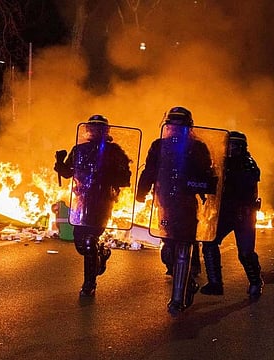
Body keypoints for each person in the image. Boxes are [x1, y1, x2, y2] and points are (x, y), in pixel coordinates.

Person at [136, 106, 216, 315]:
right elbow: (150, 170)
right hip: (164, 203)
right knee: (168, 251)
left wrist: (203, 186)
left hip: (187, 203)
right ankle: (188, 281)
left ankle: (177, 300)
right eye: (172, 125)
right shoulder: (158, 146)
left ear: (188, 127)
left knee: (183, 247)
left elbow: (207, 173)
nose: (175, 129)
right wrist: (142, 191)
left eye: (179, 126)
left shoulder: (197, 148)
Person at [54, 114, 132, 297]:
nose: (95, 131)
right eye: (92, 128)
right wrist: (59, 163)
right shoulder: (79, 150)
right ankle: (102, 253)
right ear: (88, 130)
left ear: (106, 131)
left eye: (99, 128)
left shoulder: (114, 152)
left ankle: (89, 284)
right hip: (81, 201)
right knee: (80, 244)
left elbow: (125, 179)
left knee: (89, 241)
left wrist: (107, 176)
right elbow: (67, 173)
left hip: (102, 202)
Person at [200, 131, 264, 299]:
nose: (230, 149)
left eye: (234, 146)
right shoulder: (221, 163)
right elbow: (211, 182)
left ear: (241, 147)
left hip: (244, 214)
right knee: (209, 242)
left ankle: (256, 282)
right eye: (228, 145)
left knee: (245, 253)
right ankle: (215, 283)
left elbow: (242, 185)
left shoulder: (248, 165)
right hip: (225, 212)